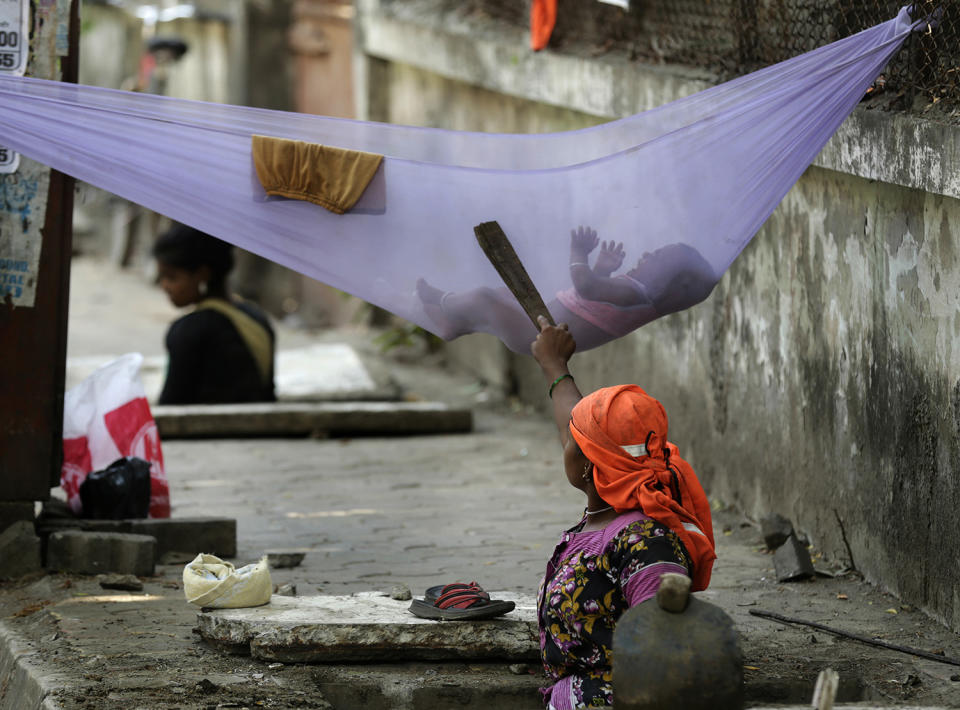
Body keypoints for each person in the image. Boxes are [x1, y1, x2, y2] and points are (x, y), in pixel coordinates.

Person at [530, 316, 716, 709]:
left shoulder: (647, 543)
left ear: (587, 464)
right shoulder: (605, 515)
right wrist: (554, 365)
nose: (563, 439)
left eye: (571, 439)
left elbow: (665, 649)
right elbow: (577, 427)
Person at [416, 226, 716, 353]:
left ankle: (443, 301)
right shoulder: (632, 293)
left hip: (539, 334)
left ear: (667, 280)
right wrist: (604, 268)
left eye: (657, 257)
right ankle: (452, 324)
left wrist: (579, 253)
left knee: (484, 298)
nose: (647, 254)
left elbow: (586, 288)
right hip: (538, 323)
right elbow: (598, 296)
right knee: (501, 294)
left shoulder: (637, 295)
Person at [152, 223, 276, 405]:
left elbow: (171, 406)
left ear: (202, 274)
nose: (164, 286)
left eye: (171, 277)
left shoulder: (187, 331)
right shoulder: (257, 318)